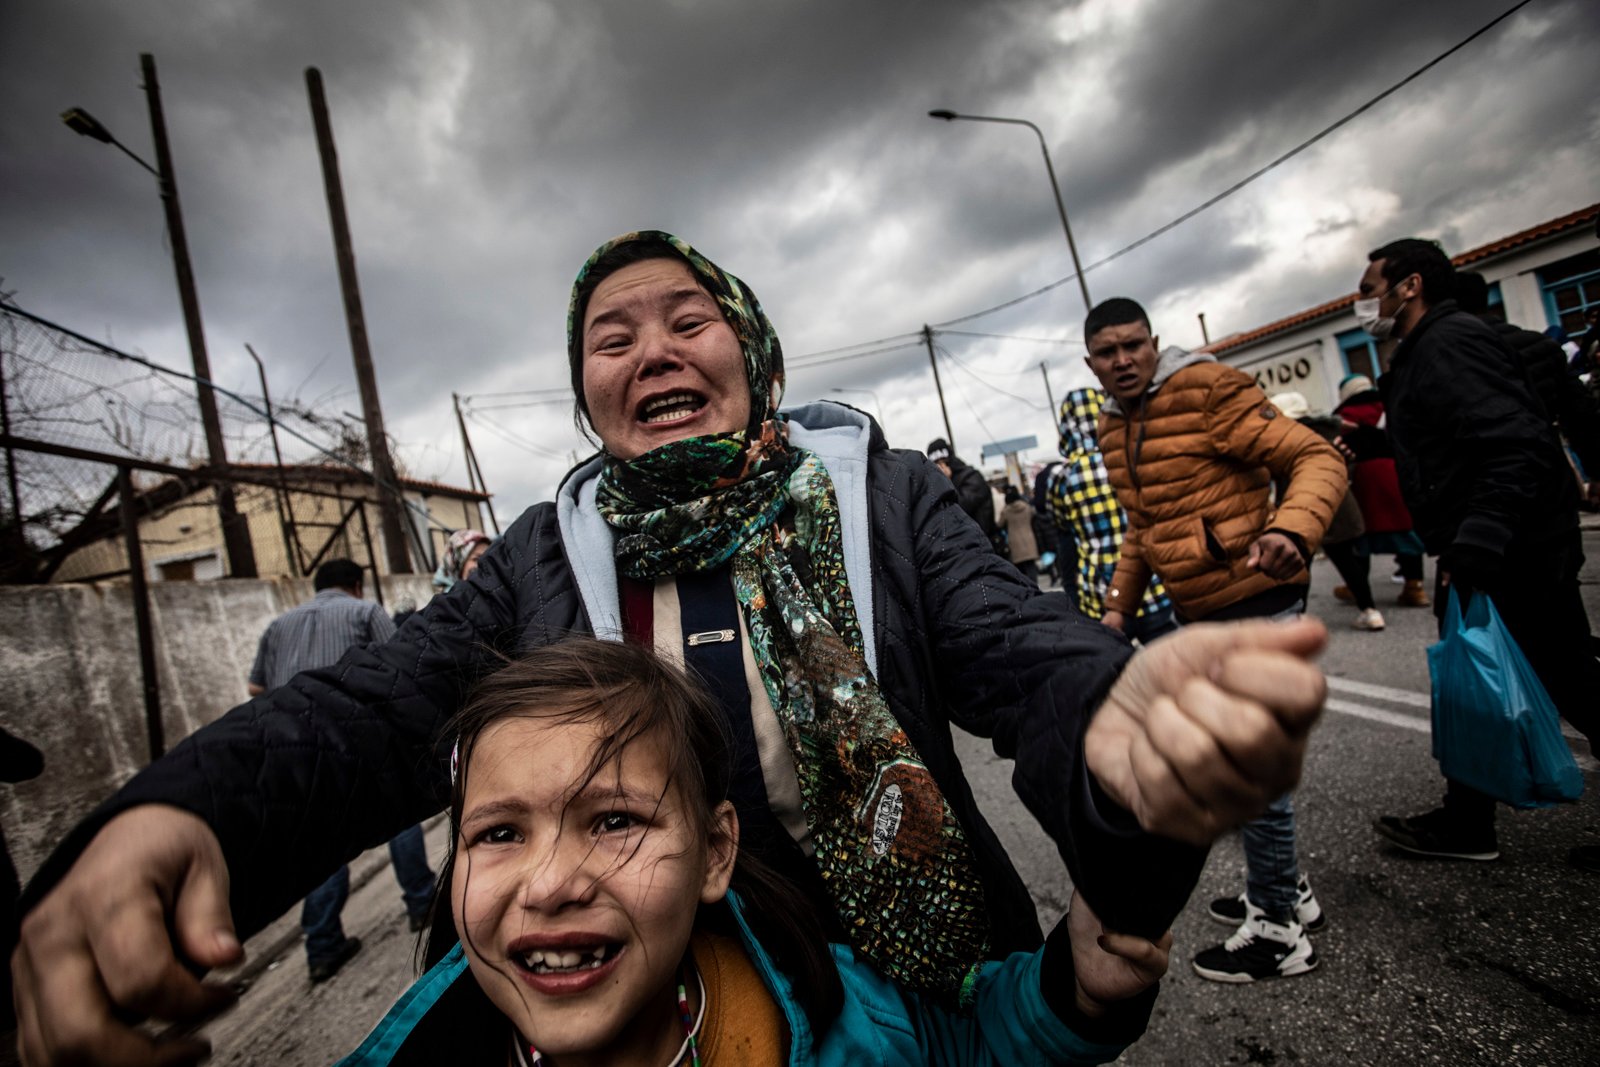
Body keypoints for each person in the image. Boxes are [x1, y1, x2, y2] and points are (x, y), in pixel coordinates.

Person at [14, 232, 1331, 1066]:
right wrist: (180, 815)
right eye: (611, 333)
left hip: (915, 1004)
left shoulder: (879, 497)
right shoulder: (541, 551)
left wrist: (1121, 723)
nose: (652, 346)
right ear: (589, 391)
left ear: (749, 352)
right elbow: (374, 708)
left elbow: (1027, 652)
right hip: (606, 1010)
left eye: (686, 318)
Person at [339, 638, 1172, 1066]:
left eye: (616, 820)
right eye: (498, 832)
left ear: (714, 851)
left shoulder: (844, 1013)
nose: (550, 882)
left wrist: (1083, 982)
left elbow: (983, 1041)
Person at [1082, 297, 1347, 984]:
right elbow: (1145, 528)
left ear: (1154, 343)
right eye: (1108, 351)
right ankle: (1287, 887)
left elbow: (1315, 456)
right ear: (1091, 364)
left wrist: (1291, 530)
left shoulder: (1208, 389)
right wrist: (1117, 611)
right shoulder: (1114, 427)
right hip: (1199, 618)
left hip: (1257, 597)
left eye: (1134, 345)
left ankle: (1279, 929)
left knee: (1247, 774)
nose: (1124, 360)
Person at [1355, 239, 1600, 869]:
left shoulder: (1448, 343)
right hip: (1485, 545)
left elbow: (1513, 442)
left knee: (1569, 677)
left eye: (1370, 286)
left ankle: (1468, 820)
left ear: (1408, 286)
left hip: (1510, 547)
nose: (1364, 301)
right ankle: (1467, 820)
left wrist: (1481, 539)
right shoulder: (1427, 347)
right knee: (1470, 680)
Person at [246, 558, 437, 981]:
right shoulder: (364, 611)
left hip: (294, 744)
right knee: (398, 817)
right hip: (359, 735)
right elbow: (401, 665)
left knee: (321, 839)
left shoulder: (278, 626)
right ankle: (422, 904)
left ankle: (323, 946)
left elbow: (255, 687)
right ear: (355, 584)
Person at [1454, 270, 1600, 508]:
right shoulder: (1541, 345)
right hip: (1550, 474)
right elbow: (1580, 414)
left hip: (1486, 489)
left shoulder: (1452, 357)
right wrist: (1595, 471)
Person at [1047, 387, 1174, 643]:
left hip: (1101, 595)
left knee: (1121, 673)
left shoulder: (1062, 477)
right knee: (1174, 664)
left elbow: (1062, 530)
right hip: (1151, 585)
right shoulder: (1130, 456)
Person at [1268, 392, 1379, 631]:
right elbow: (1345, 465)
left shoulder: (1285, 436)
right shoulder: (1329, 431)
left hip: (1301, 507)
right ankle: (1370, 610)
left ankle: (1297, 619)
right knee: (1347, 561)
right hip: (1337, 503)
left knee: (1298, 569)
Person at [1331, 373, 1430, 610]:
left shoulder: (1342, 418)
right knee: (1405, 530)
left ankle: (1357, 586)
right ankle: (1414, 587)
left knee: (1360, 534)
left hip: (1362, 479)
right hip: (1393, 472)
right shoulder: (1389, 405)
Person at [926, 437, 998, 550]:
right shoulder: (935, 484)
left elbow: (962, 507)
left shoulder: (971, 477)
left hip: (984, 544)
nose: (940, 468)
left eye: (943, 463)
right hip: (963, 548)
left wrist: (945, 481)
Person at [998, 486, 1042, 583]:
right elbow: (1034, 517)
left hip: (1014, 542)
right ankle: (1036, 586)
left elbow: (999, 524)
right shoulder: (1027, 507)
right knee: (1031, 567)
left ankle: (1028, 589)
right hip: (1029, 539)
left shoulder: (1006, 511)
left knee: (1021, 570)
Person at [433, 528, 492, 593]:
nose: (483, 564)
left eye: (487, 559)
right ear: (456, 562)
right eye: (476, 559)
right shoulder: (441, 599)